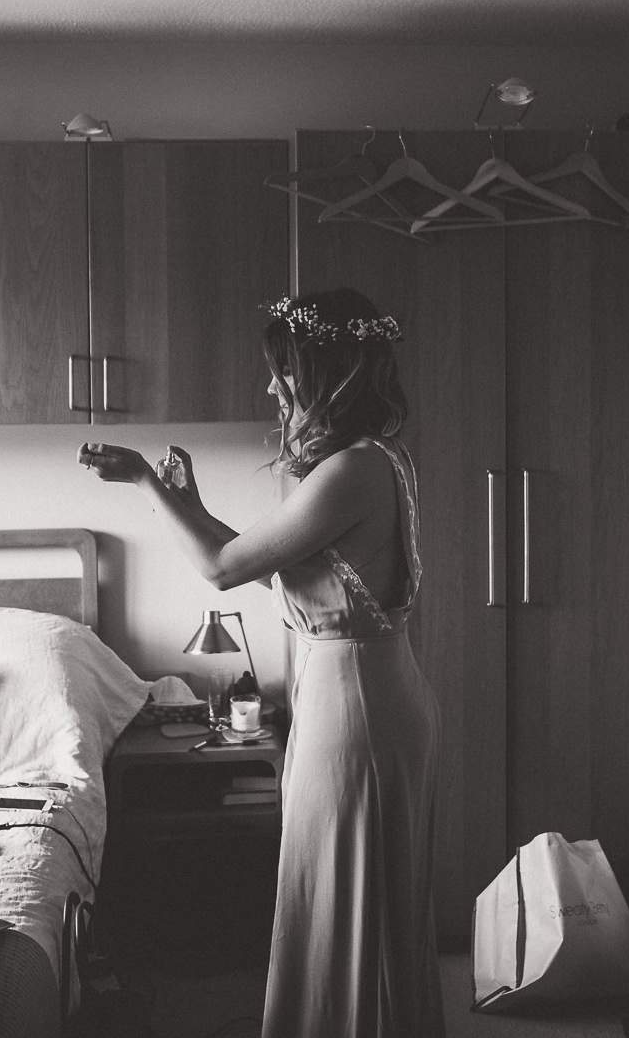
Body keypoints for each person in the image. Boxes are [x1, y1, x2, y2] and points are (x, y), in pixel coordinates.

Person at [78, 287, 445, 1038]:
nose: (272, 388)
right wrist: (188, 500)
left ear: (323, 373)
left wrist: (148, 482)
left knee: (343, 897)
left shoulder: (349, 473)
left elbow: (220, 568)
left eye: (283, 372)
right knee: (351, 897)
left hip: (358, 714)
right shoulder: (372, 462)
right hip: (372, 695)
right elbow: (255, 553)